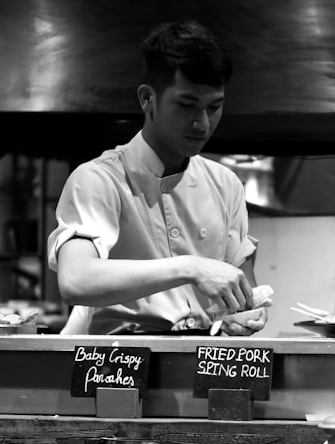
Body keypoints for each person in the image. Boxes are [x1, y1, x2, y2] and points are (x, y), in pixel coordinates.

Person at [48, 18, 267, 336]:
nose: (202, 124)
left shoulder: (225, 185)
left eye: (214, 107)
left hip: (202, 361)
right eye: (187, 105)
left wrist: (245, 314)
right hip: (118, 365)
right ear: (147, 98)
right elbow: (75, 280)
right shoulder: (99, 180)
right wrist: (190, 268)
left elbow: (242, 290)